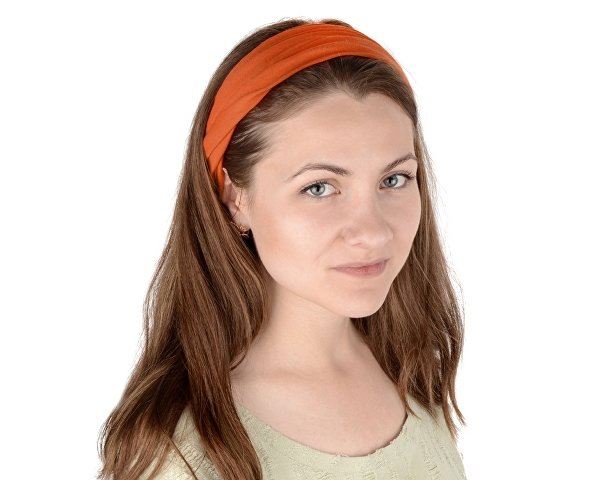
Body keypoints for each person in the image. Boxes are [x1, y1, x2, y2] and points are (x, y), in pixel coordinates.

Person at [97, 17, 467, 480]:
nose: (373, 233)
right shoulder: (186, 453)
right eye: (319, 188)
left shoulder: (413, 369)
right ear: (236, 198)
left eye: (394, 179)